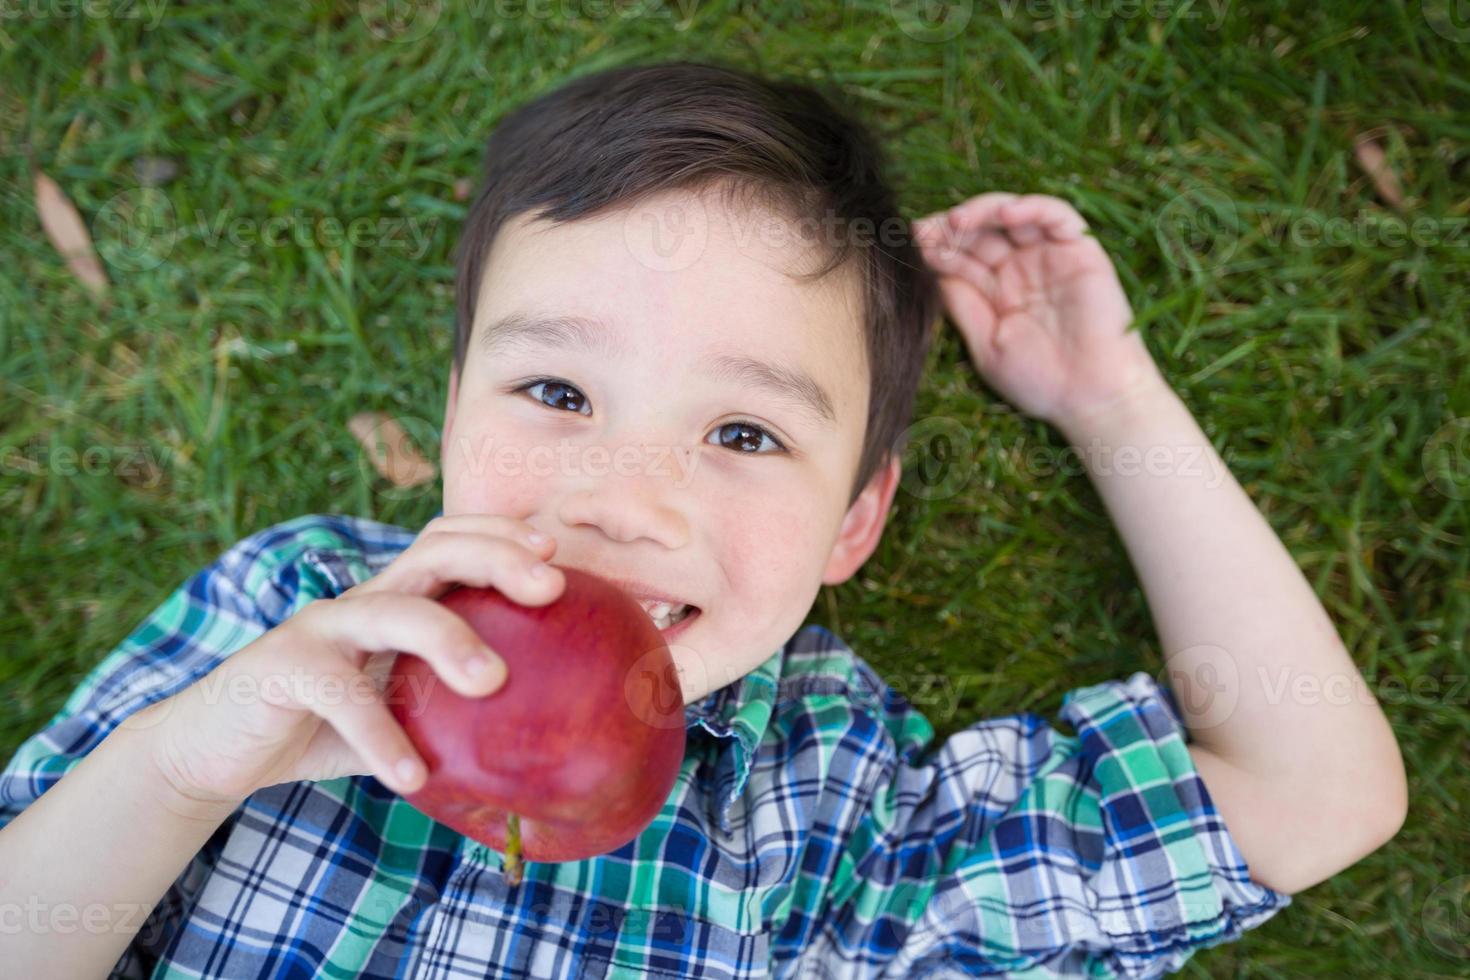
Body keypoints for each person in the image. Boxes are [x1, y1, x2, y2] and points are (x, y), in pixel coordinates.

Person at [0, 59, 1406, 978]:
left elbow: (1310, 797)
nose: (622, 499)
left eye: (743, 433)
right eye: (555, 388)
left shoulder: (839, 810)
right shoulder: (287, 614)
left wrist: (1110, 402)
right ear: (447, 416)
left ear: (852, 524)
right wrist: (176, 772)